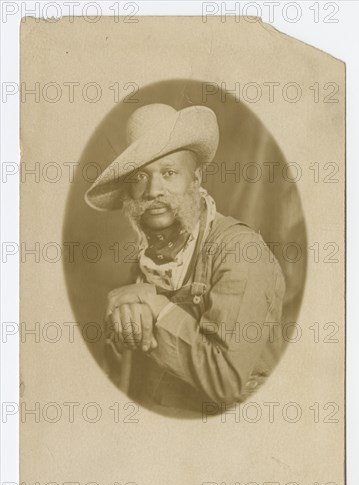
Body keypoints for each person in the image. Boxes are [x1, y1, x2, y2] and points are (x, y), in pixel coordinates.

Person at [84, 103, 286, 416]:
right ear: (129, 192)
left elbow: (225, 381)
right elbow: (121, 366)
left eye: (168, 173)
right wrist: (123, 313)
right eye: (141, 177)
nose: (154, 191)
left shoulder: (241, 253)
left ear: (195, 179)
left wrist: (154, 306)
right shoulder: (145, 260)